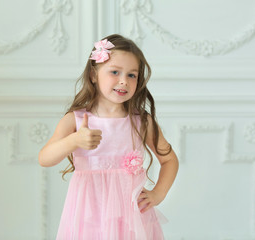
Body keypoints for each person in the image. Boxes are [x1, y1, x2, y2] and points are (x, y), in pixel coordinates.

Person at [38, 34, 179, 240]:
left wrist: (158, 193)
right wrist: (74, 141)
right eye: (115, 72)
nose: (124, 81)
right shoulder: (75, 120)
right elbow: (45, 158)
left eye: (132, 75)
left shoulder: (141, 122)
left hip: (130, 217)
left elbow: (169, 159)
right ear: (94, 75)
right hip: (88, 215)